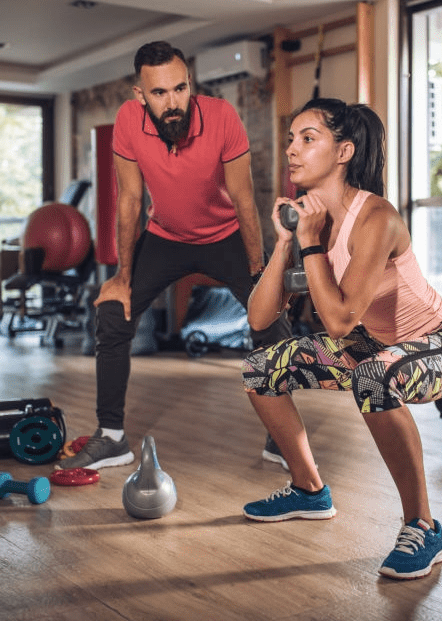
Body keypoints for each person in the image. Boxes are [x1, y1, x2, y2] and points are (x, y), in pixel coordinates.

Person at [240, 98, 442, 580]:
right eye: (291, 139)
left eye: (309, 139)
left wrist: (308, 243)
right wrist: (287, 242)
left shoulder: (377, 219)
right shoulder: (307, 219)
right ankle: (309, 491)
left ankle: (423, 527)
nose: (292, 150)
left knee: (374, 377)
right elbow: (260, 315)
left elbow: (340, 321)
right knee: (260, 369)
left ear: (344, 151)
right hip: (376, 343)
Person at [58, 41, 290, 470]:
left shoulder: (221, 117)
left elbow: (243, 198)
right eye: (160, 93)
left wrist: (259, 271)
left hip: (226, 236)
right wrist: (123, 276)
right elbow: (129, 199)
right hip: (165, 237)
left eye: (181, 89)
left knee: (271, 320)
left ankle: (282, 436)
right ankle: (111, 437)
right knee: (112, 313)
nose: (173, 102)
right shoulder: (128, 121)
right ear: (140, 94)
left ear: (190, 84)